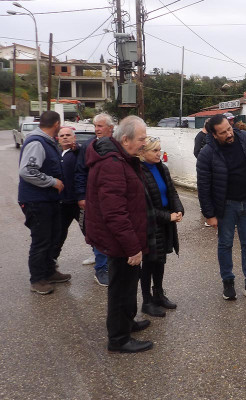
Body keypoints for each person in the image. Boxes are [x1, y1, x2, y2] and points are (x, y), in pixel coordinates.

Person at [85, 115, 152, 353]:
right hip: (121, 241)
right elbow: (115, 213)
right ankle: (118, 338)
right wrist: (133, 247)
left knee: (128, 283)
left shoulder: (123, 157)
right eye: (142, 139)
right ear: (125, 139)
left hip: (124, 238)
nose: (145, 143)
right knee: (120, 287)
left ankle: (127, 322)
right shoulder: (112, 164)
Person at [197, 114, 246, 302]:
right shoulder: (207, 153)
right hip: (226, 206)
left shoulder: (245, 138)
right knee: (225, 243)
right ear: (214, 135)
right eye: (223, 133)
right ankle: (228, 282)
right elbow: (203, 186)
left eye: (229, 129)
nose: (229, 134)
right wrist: (209, 215)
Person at [18, 111, 71, 295]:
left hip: (49, 201)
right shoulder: (36, 142)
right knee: (41, 240)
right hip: (36, 201)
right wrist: (52, 181)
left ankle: (49, 272)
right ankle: (38, 279)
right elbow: (27, 170)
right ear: (57, 124)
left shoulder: (47, 142)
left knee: (53, 237)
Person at [139, 136, 184, 317]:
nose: (159, 154)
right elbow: (143, 207)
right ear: (142, 153)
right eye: (155, 150)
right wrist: (169, 216)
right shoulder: (139, 172)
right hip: (150, 224)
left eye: (160, 150)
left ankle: (158, 294)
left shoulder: (161, 168)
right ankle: (147, 301)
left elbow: (171, 192)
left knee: (161, 259)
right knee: (149, 263)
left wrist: (179, 210)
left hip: (165, 222)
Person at [75, 113, 114, 286]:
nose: (96, 130)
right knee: (99, 232)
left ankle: (113, 264)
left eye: (100, 126)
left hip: (114, 197)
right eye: (95, 126)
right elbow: (80, 172)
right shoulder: (88, 146)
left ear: (111, 128)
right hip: (94, 199)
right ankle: (101, 269)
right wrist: (81, 195)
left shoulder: (118, 145)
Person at [53, 127, 84, 264]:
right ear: (58, 138)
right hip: (62, 202)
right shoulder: (55, 153)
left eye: (68, 135)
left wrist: (78, 147)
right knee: (58, 234)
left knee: (90, 232)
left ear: (74, 138)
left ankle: (100, 261)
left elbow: (86, 149)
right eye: (62, 135)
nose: (65, 137)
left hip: (78, 202)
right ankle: (52, 262)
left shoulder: (79, 152)